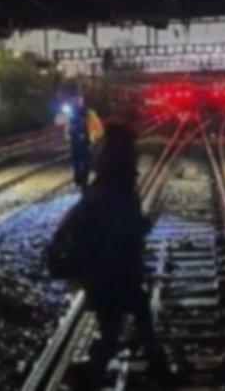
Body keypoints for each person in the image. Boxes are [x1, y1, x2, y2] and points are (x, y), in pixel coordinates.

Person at [50, 122, 169, 386]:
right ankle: (157, 367)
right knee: (134, 318)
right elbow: (129, 228)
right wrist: (142, 226)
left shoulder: (100, 189)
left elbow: (78, 223)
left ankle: (97, 374)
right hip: (120, 270)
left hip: (102, 272)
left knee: (113, 327)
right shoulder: (121, 189)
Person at [65, 96, 95, 189]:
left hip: (84, 140)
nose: (77, 102)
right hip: (75, 140)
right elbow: (67, 124)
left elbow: (93, 125)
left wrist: (92, 139)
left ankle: (82, 181)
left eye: (79, 101)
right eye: (76, 100)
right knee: (76, 162)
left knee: (86, 162)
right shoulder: (71, 112)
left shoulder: (87, 112)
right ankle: (79, 181)